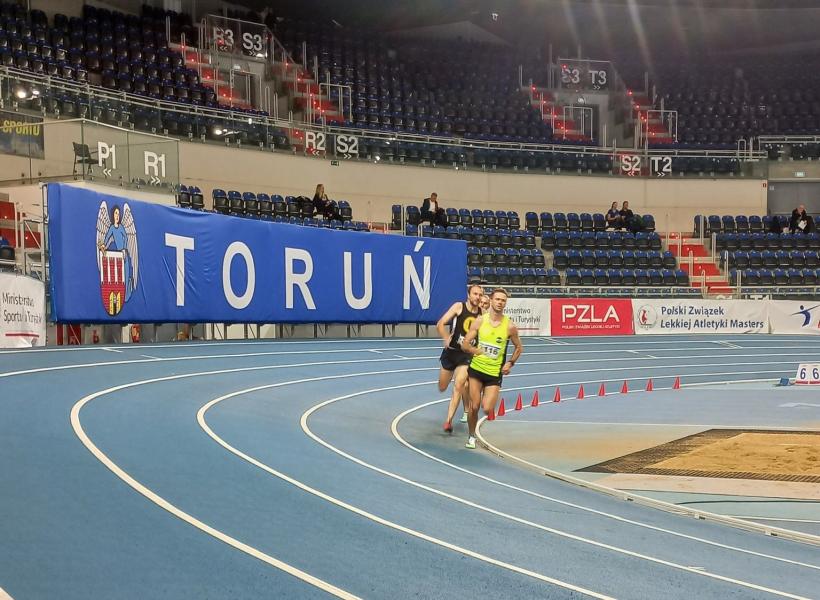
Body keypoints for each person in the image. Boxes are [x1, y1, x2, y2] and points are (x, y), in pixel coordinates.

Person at [460, 288, 523, 449]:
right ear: (491, 301)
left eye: (503, 300)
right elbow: (465, 343)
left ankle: (480, 418)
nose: (500, 302)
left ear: (505, 303)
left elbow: (518, 348)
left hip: (494, 373)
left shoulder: (510, 326)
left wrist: (510, 363)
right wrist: (474, 350)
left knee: (487, 408)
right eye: (497, 299)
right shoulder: (480, 321)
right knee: (474, 406)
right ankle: (471, 436)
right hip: (476, 369)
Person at [437, 284, 483, 432]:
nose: (477, 297)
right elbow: (440, 323)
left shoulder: (482, 314)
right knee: (442, 387)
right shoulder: (459, 307)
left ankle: (448, 421)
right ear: (468, 295)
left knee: (459, 384)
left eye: (480, 295)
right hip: (451, 353)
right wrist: (446, 338)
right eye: (475, 294)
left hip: (466, 354)